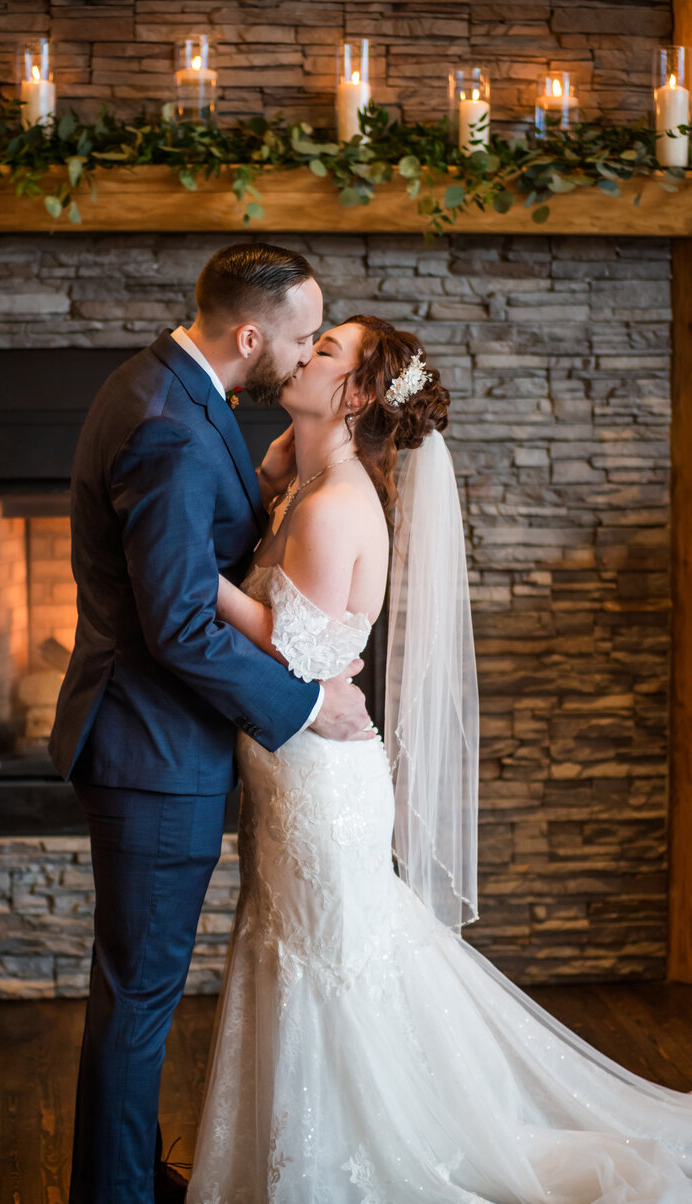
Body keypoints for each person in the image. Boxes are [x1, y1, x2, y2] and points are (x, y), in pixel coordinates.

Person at [186, 315, 692, 1203]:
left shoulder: (336, 503)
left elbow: (295, 653)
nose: (303, 353)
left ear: (356, 394)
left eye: (326, 350)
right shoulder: (310, 486)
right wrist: (269, 475)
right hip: (295, 774)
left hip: (319, 789)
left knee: (325, 966)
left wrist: (196, 580)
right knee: (301, 955)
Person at [48, 243, 374, 1204]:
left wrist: (263, 484)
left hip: (150, 741)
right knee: (139, 998)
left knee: (134, 994)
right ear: (251, 337)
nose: (308, 352)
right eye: (303, 338)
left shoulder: (166, 386)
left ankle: (125, 1174)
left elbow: (185, 549)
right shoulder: (172, 427)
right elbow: (182, 620)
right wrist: (306, 705)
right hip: (151, 751)